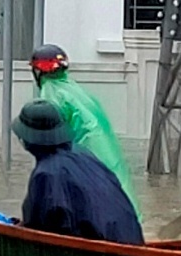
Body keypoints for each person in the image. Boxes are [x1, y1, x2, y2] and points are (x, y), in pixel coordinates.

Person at [28, 44, 142, 220]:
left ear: (37, 71)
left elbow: (50, 144)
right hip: (109, 163)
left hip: (87, 163)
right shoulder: (76, 90)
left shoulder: (50, 95)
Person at [13, 99, 144, 246]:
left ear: (28, 140)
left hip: (102, 254)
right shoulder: (84, 154)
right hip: (130, 241)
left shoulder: (46, 173)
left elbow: (40, 229)